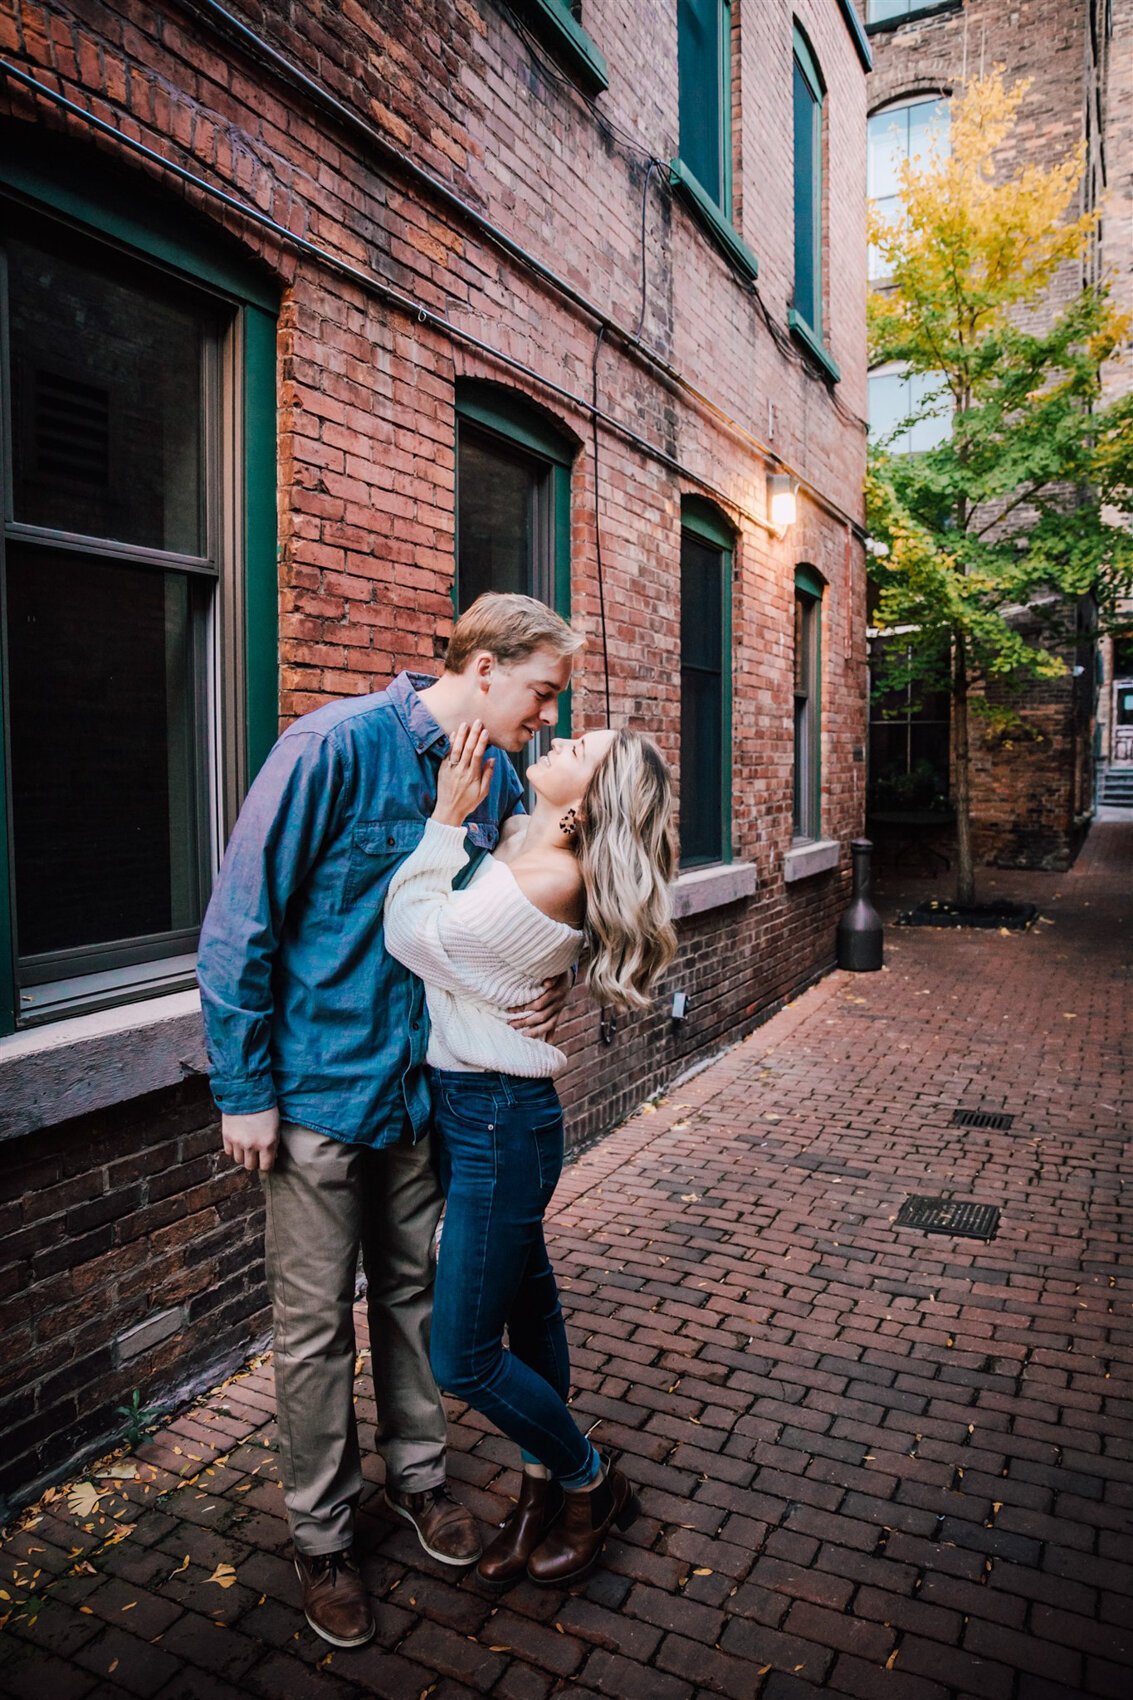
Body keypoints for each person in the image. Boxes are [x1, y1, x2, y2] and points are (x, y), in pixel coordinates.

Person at [196, 594, 584, 1649]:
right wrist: (244, 1087)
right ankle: (323, 1536)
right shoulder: (332, 745)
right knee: (314, 1323)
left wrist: (546, 984)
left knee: (411, 1299)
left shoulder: (502, 774)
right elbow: (240, 923)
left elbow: (521, 905)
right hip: (317, 1091)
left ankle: (419, 1480)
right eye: (540, 691)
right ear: (487, 666)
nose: (544, 718)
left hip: (423, 1089)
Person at [383, 717, 677, 1588]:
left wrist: (440, 823)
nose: (554, 738)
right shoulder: (522, 830)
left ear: (587, 805)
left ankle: (590, 1478)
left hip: (497, 1124)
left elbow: (413, 937)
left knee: (462, 1356)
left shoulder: (549, 872)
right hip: (478, 1108)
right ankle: (541, 1486)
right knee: (528, 1305)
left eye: (578, 749)